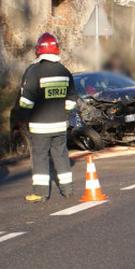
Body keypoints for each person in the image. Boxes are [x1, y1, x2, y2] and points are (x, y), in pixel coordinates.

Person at [20, 32, 77, 203]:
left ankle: (41, 193)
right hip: (60, 125)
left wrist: (25, 117)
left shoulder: (34, 71)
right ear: (56, 50)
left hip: (40, 126)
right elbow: (72, 99)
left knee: (40, 157)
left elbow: (26, 101)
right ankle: (67, 190)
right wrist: (63, 113)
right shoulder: (64, 71)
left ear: (38, 51)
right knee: (61, 155)